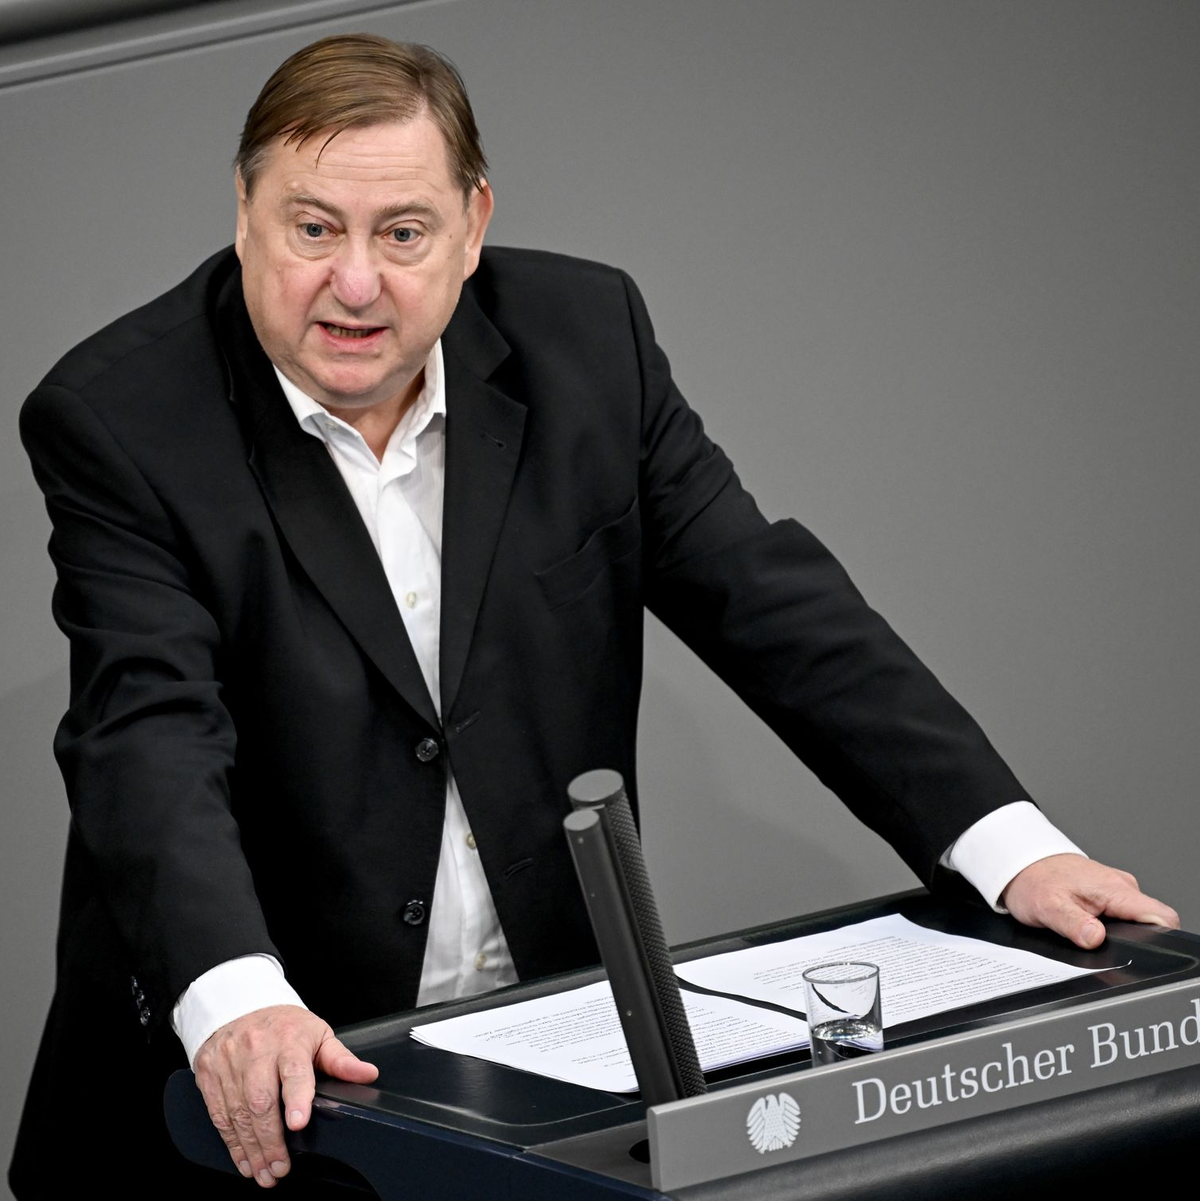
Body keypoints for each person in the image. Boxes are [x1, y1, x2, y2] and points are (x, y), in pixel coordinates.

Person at [11, 33, 1177, 1197]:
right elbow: (146, 734)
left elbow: (773, 607)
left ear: (473, 224)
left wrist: (1012, 849)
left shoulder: (586, 340)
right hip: (247, 1103)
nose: (355, 282)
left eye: (403, 232)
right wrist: (239, 996)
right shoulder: (122, 418)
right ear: (244, 211)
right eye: (312, 228)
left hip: (529, 1087)